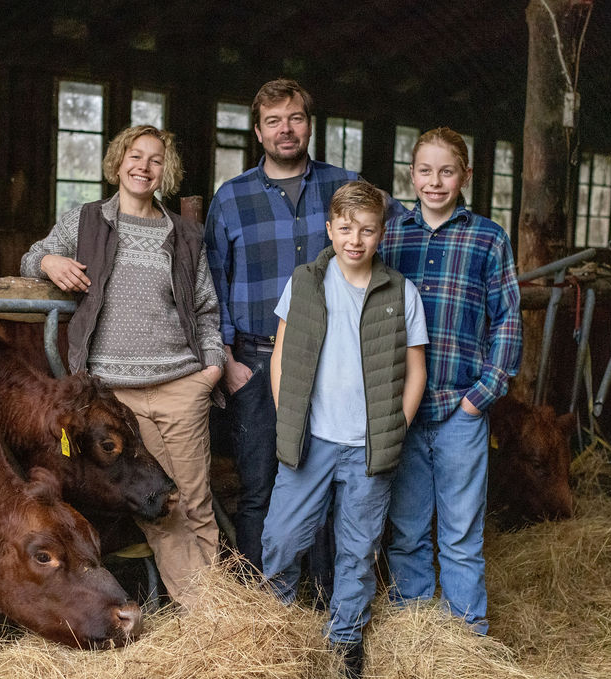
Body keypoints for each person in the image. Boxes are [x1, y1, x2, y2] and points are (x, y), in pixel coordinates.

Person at [20, 125, 224, 609]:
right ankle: (212, 617)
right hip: (115, 399)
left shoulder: (185, 234)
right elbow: (29, 257)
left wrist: (209, 371)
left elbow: (207, 309)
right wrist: (49, 261)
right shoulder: (86, 222)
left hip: (180, 385)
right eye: (136, 156)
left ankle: (220, 615)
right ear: (118, 163)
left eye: (156, 160)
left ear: (165, 172)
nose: (144, 167)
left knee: (197, 503)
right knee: (161, 506)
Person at [205, 78, 372, 578]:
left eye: (295, 118)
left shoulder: (345, 187)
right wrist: (228, 362)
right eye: (274, 120)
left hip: (331, 360)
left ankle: (321, 600)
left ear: (309, 125)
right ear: (258, 131)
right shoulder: (231, 198)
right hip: (255, 361)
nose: (286, 129)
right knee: (258, 485)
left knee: (323, 483)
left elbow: (398, 228)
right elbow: (211, 284)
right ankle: (259, 606)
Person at [261, 181, 427, 678]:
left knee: (357, 549)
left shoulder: (400, 291)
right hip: (311, 440)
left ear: (381, 234)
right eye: (346, 228)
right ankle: (275, 624)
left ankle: (345, 641)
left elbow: (415, 369)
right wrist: (288, 415)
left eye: (368, 230)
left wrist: (397, 426)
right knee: (283, 538)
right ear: (330, 228)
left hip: (367, 447)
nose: (356, 239)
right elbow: (281, 356)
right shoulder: (306, 282)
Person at [381, 127, 523, 635]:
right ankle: (416, 633)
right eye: (425, 171)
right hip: (404, 408)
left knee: (461, 533)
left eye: (446, 171)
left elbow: (506, 319)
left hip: (461, 408)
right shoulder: (391, 235)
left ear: (465, 175)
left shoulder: (488, 237)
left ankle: (465, 636)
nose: (434, 182)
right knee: (407, 529)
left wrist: (480, 397)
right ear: (411, 174)